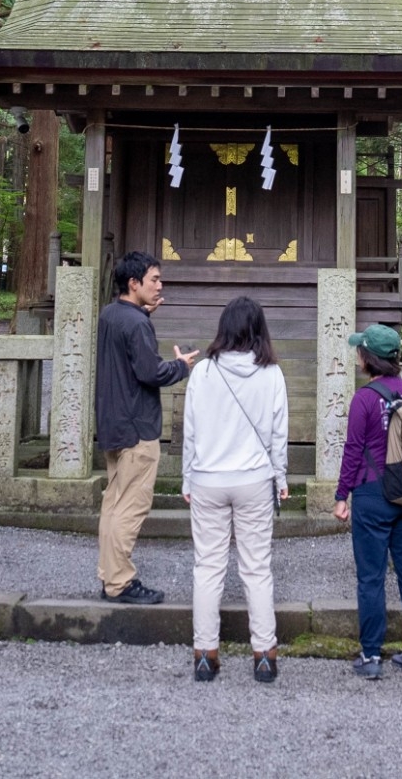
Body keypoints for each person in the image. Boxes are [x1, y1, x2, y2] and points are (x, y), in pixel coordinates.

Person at [182, 295, 290, 683]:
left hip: (208, 478)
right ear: (259, 329)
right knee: (256, 569)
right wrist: (281, 478)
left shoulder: (203, 373)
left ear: (223, 329)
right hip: (254, 480)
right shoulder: (271, 374)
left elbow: (190, 432)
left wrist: (186, 478)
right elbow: (279, 435)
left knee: (208, 568)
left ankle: (205, 654)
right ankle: (264, 653)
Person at [95, 250, 198, 605]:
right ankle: (120, 583)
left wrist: (142, 314)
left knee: (113, 503)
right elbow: (150, 372)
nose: (160, 286)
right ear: (134, 283)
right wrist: (181, 366)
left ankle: (111, 576)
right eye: (154, 279)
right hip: (137, 426)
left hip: (113, 422)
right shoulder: (137, 324)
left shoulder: (111, 315)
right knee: (132, 505)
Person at [334, 322, 402, 680]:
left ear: (367, 357)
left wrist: (341, 495)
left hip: (373, 494)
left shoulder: (364, 399)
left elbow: (353, 451)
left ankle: (371, 656)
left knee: (371, 577)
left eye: (360, 350)